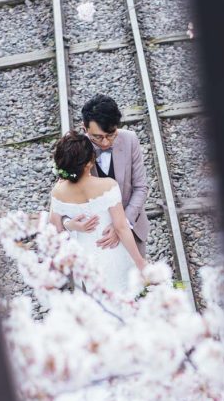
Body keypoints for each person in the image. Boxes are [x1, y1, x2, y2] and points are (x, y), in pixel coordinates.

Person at [48, 131, 147, 293]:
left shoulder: (58, 192)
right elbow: (121, 227)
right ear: (89, 163)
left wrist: (70, 225)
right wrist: (140, 261)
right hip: (114, 250)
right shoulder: (108, 186)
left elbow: (55, 228)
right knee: (127, 294)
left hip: (86, 258)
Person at [59, 94, 150, 257]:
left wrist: (122, 224)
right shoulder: (75, 150)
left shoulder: (130, 140)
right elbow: (62, 198)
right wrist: (68, 223)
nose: (106, 142)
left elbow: (140, 188)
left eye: (111, 134)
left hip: (131, 229)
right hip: (94, 238)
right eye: (98, 137)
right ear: (84, 128)